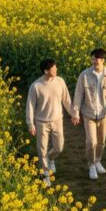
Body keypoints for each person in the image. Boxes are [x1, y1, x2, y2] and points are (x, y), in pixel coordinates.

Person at [72, 48, 106, 180]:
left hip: (104, 114)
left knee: (101, 142)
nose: (94, 61)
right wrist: (75, 113)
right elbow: (78, 95)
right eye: (92, 59)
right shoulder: (84, 75)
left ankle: (98, 160)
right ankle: (92, 165)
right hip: (88, 113)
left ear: (103, 60)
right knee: (91, 142)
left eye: (96, 59)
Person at [26, 58, 74, 187]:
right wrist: (30, 124)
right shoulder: (36, 86)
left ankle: (50, 158)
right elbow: (30, 106)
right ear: (46, 71)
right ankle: (46, 174)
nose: (56, 69)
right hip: (41, 122)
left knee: (59, 147)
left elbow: (66, 100)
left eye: (55, 66)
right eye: (53, 68)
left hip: (57, 120)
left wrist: (73, 114)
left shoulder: (60, 81)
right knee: (42, 149)